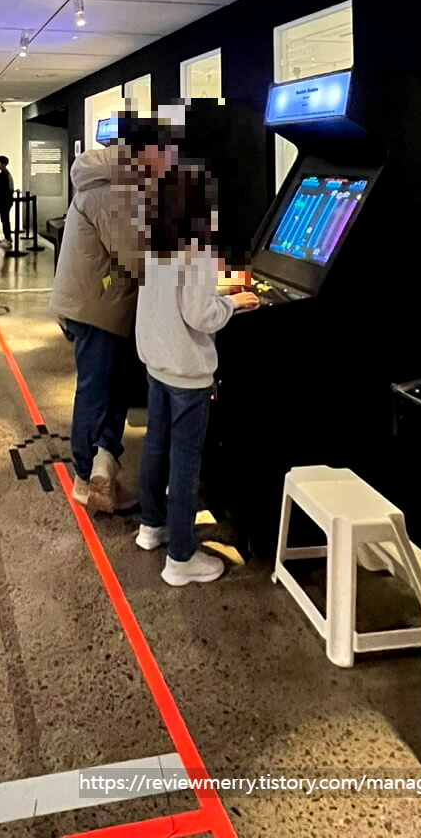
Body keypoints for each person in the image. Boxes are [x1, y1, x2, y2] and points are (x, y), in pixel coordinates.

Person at [134, 165, 258, 585]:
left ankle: (152, 526)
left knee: (156, 445)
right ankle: (181, 558)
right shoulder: (197, 248)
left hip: (156, 361)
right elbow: (200, 315)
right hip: (187, 372)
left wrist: (217, 293)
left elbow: (172, 298)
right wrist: (233, 303)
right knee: (186, 462)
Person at [50, 114, 175, 514]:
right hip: (98, 307)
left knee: (112, 387)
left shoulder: (114, 180)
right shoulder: (111, 190)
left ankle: (102, 466)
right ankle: (86, 477)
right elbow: (137, 256)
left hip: (101, 302)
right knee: (98, 389)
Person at [0, 154, 16, 244]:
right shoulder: (5, 173)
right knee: (5, 220)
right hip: (6, 201)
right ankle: (8, 237)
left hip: (4, 201)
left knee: (5, 220)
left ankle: (7, 238)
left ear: (3, 164)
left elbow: (2, 189)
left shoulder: (4, 174)